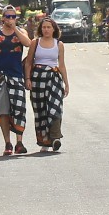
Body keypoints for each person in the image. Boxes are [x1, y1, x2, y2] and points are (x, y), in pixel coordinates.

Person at [0, 7, 31, 156]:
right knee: (3, 110)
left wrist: (15, 28)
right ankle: (7, 143)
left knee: (19, 109)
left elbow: (28, 43)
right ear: (2, 18)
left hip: (16, 76)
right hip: (0, 76)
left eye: (13, 16)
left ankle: (19, 142)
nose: (10, 18)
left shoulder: (21, 32)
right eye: (8, 16)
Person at [27, 15, 71, 152]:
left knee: (55, 107)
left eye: (49, 27)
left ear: (53, 29)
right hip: (38, 78)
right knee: (40, 111)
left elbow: (62, 65)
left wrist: (66, 83)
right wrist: (27, 79)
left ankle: (55, 137)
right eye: (44, 27)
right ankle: (44, 142)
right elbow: (28, 62)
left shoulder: (59, 44)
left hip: (54, 78)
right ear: (41, 29)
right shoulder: (35, 42)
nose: (46, 30)